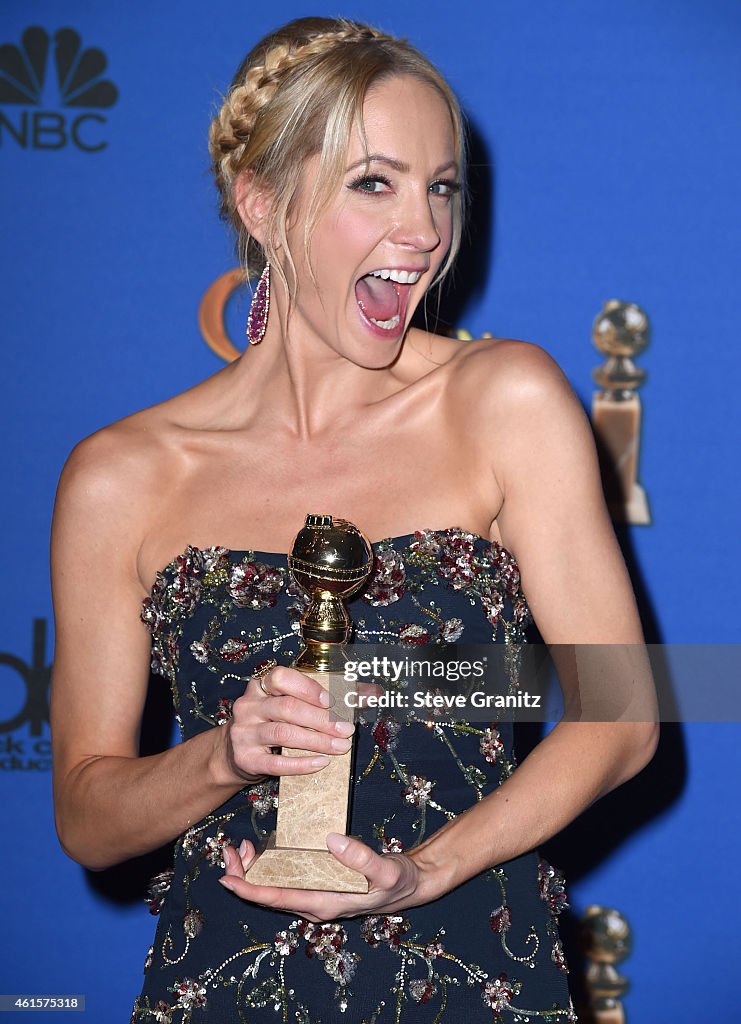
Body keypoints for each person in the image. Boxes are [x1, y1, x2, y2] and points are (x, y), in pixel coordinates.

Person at [50, 16, 658, 1023]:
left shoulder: (503, 400)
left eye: (442, 186)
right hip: (224, 984)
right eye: (374, 182)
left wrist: (422, 871)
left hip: (474, 971)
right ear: (262, 205)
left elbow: (624, 716)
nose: (424, 231)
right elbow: (86, 813)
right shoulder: (122, 477)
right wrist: (225, 754)